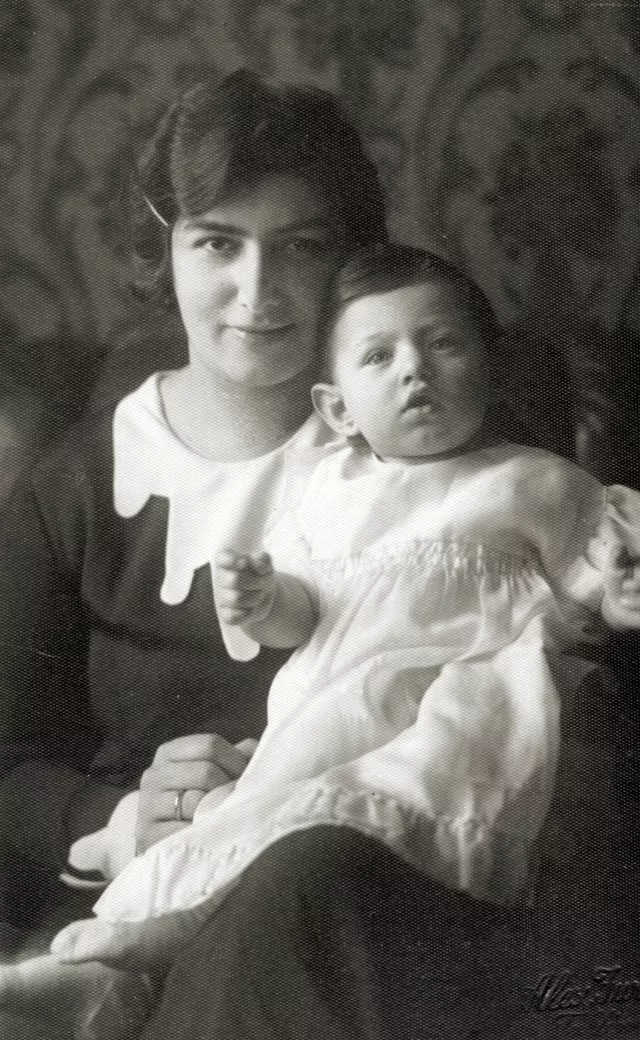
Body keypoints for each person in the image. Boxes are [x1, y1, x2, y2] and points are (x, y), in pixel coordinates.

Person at [4, 245, 640, 1039]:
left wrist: (617, 598)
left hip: (455, 706)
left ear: (489, 364)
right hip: (335, 706)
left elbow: (594, 585)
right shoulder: (330, 491)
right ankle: (100, 984)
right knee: (247, 820)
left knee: (336, 826)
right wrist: (262, 598)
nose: (416, 372)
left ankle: (168, 941)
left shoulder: (534, 481)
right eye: (380, 357)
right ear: (339, 409)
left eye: (443, 344)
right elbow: (301, 610)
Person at [0, 67, 387, 1035]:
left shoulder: (417, 452)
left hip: (356, 887)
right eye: (218, 242)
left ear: (349, 260)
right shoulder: (79, 482)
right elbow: (9, 754)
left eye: (301, 247)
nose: (257, 292)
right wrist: (123, 816)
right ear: (162, 246)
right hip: (139, 896)